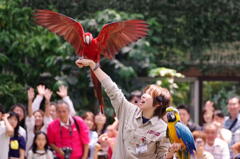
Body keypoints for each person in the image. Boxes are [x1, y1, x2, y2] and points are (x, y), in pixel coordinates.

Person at [75, 58, 179, 159]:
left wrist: (170, 154)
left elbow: (162, 156)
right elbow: (112, 88)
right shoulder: (128, 110)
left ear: (158, 104)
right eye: (145, 93)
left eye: (149, 94)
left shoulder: (163, 129)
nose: (143, 96)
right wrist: (94, 66)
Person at [25, 87, 53, 152]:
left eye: (40, 116)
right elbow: (30, 115)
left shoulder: (46, 128)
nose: (37, 118)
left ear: (43, 118)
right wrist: (30, 100)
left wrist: (47, 101)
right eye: (35, 117)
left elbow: (47, 116)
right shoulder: (30, 128)